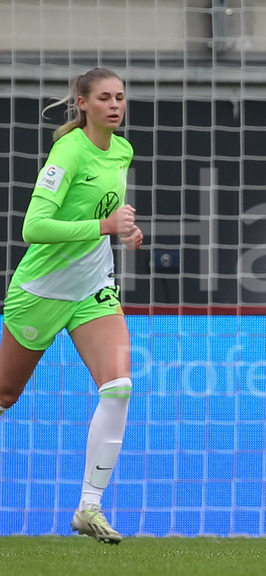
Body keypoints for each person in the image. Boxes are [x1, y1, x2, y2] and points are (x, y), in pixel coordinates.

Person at [0, 67, 142, 544]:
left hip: (93, 290)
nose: (115, 105)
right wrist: (102, 228)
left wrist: (124, 231)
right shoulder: (68, 151)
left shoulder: (122, 150)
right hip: (41, 292)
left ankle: (89, 507)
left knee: (119, 386)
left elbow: (103, 214)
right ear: (82, 103)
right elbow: (33, 228)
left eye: (120, 97)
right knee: (3, 395)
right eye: (104, 97)